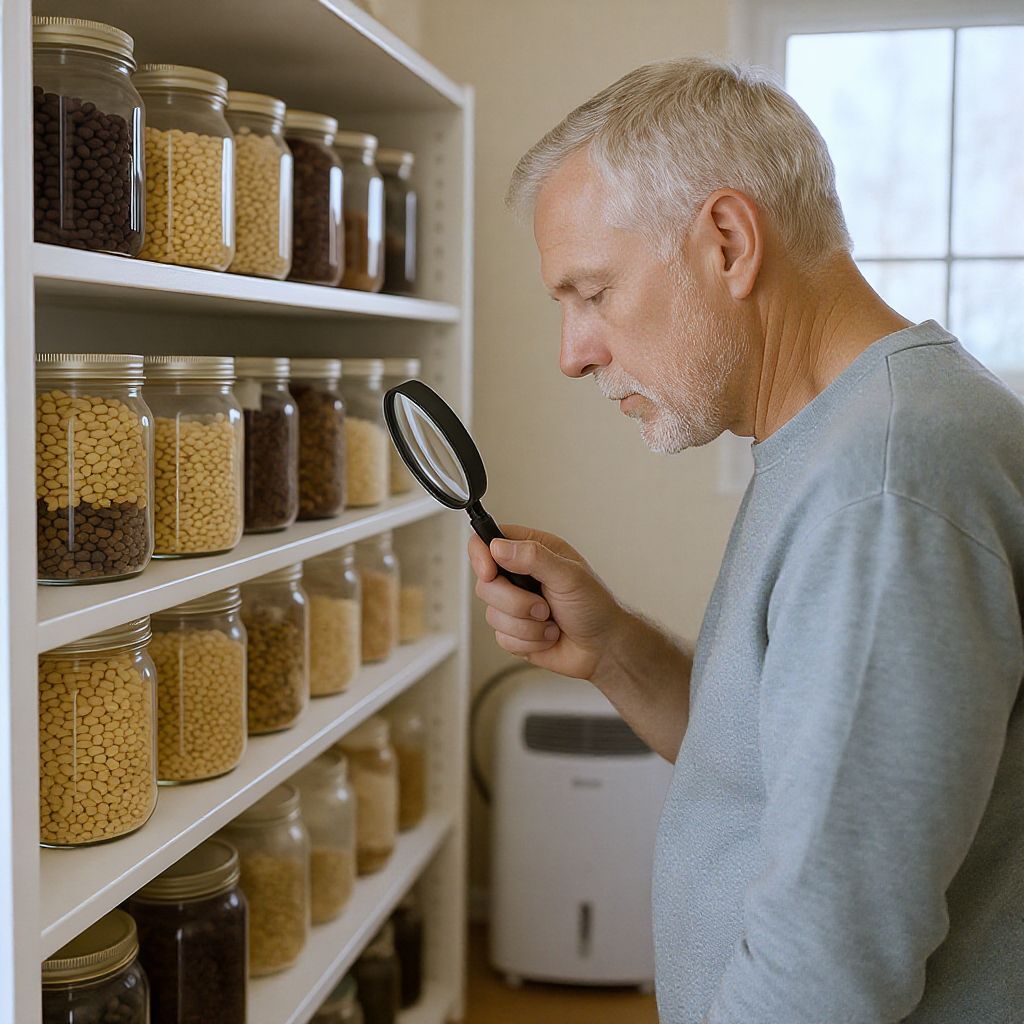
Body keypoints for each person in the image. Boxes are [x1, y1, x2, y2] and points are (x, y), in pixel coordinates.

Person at [467, 57, 1024, 1023]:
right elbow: (777, 767)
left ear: (727, 242)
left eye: (593, 292)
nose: (573, 354)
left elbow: (828, 966)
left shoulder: (885, 483)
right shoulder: (841, 438)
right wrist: (612, 650)